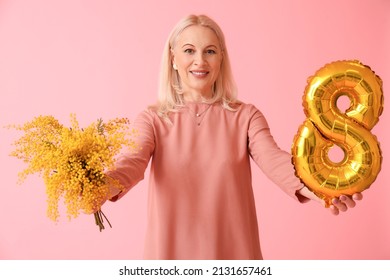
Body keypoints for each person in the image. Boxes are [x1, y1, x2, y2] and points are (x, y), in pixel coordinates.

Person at [103, 14, 363, 260]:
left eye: (210, 51)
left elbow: (275, 161)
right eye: (189, 50)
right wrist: (99, 187)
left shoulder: (246, 116)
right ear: (173, 58)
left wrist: (324, 189)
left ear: (221, 58)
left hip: (235, 256)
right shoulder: (152, 119)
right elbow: (132, 161)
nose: (200, 61)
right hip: (170, 255)